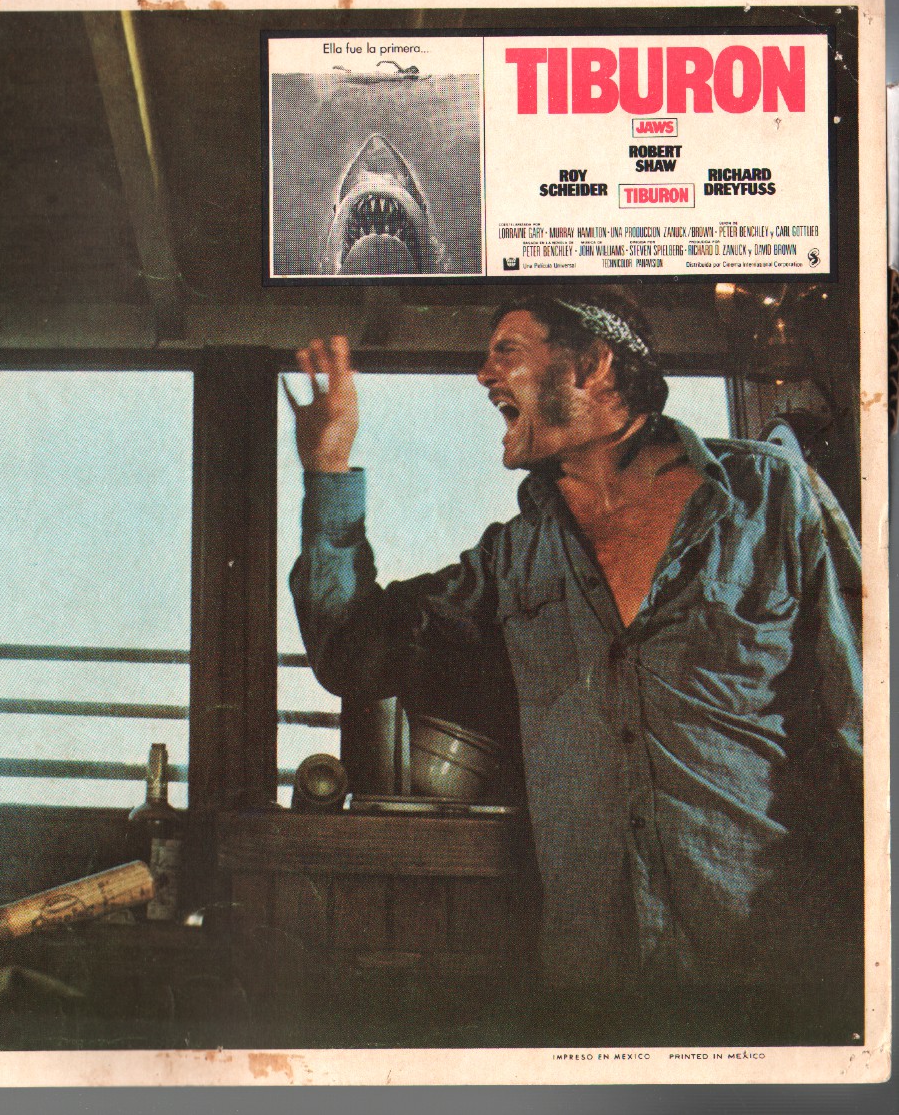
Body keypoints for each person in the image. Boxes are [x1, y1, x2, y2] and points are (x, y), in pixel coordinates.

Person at [286, 289, 863, 1042]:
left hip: (780, 980)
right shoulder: (511, 561)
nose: (482, 374)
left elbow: (866, 721)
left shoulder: (768, 494)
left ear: (592, 366)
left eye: (507, 351)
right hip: (598, 994)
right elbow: (352, 653)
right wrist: (328, 467)